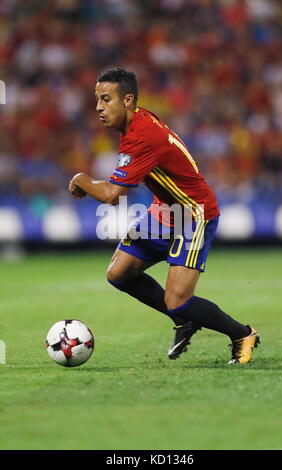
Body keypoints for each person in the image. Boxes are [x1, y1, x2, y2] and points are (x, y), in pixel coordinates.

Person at [69, 68, 260, 363]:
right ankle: (185, 320)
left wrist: (81, 179)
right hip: (165, 210)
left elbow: (111, 195)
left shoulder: (141, 137)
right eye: (97, 100)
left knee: (177, 300)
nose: (98, 107)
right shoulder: (136, 122)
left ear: (128, 100)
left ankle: (242, 334)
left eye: (106, 99)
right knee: (118, 274)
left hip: (194, 214)